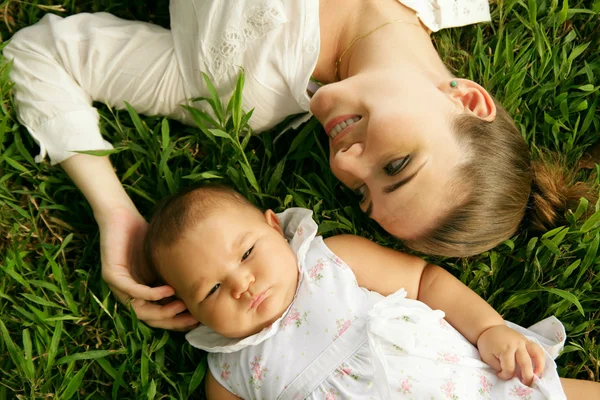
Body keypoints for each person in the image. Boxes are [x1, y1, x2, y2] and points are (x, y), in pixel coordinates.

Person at [3, 0, 595, 330]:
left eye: (361, 193)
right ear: (468, 100)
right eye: (397, 166)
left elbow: (40, 55)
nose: (347, 162)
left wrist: (116, 213)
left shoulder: (236, 88)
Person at [143, 183, 600, 399]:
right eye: (213, 289)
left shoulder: (332, 261)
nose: (242, 285)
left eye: (246, 254)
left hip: (477, 385)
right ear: (189, 310)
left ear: (273, 226)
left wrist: (488, 330)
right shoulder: (228, 373)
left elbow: (426, 282)